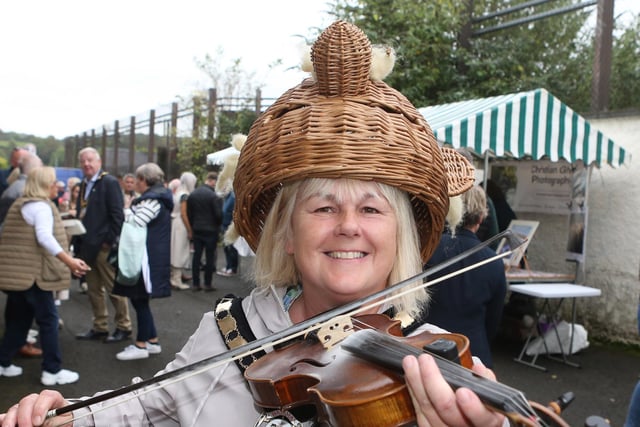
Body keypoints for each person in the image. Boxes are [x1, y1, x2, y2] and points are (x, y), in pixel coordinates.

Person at [0, 22, 507, 427]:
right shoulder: (228, 329)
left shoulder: (436, 363)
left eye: (372, 209)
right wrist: (64, 416)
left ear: (401, 235)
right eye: (323, 208)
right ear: (285, 234)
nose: (349, 226)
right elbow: (146, 406)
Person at [0, 166, 90, 385]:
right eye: (53, 182)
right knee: (48, 321)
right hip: (34, 276)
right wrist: (69, 261)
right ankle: (52, 370)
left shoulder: (23, 204)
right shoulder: (41, 207)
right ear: (43, 184)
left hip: (19, 275)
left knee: (19, 321)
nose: (57, 186)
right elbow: (44, 237)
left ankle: (2, 362)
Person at [419, 186, 507, 368]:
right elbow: (493, 320)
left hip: (427, 349)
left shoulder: (426, 250)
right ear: (482, 218)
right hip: (474, 353)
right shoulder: (494, 262)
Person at [112, 163, 173, 361]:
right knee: (141, 301)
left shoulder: (153, 200)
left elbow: (137, 222)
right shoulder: (159, 197)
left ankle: (140, 345)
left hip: (145, 258)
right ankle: (152, 341)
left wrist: (127, 209)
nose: (135, 183)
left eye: (137, 179)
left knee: (140, 301)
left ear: (144, 180)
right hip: (148, 257)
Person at [73, 147, 132, 343]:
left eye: (90, 160)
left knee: (114, 289)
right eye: (83, 161)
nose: (87, 164)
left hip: (103, 247)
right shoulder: (84, 184)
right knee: (93, 290)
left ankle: (124, 327)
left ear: (99, 162)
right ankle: (100, 327)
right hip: (87, 246)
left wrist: (108, 242)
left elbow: (117, 215)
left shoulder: (109, 182)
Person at [215, 134, 246, 277]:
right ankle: (230, 266)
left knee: (230, 245)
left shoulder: (233, 160)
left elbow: (222, 179)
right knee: (229, 244)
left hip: (238, 198)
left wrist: (220, 187)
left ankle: (231, 267)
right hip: (240, 196)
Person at [186, 172, 222, 292]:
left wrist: (192, 225)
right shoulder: (213, 196)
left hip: (197, 228)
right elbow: (218, 215)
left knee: (196, 256)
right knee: (210, 257)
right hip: (211, 230)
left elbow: (189, 213)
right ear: (212, 181)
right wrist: (217, 226)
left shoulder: (193, 194)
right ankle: (207, 283)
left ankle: (196, 283)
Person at [170, 172, 197, 290]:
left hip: (175, 223)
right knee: (179, 251)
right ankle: (176, 280)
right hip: (181, 225)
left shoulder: (178, 192)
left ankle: (176, 276)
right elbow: (184, 213)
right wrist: (190, 229)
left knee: (175, 249)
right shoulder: (185, 195)